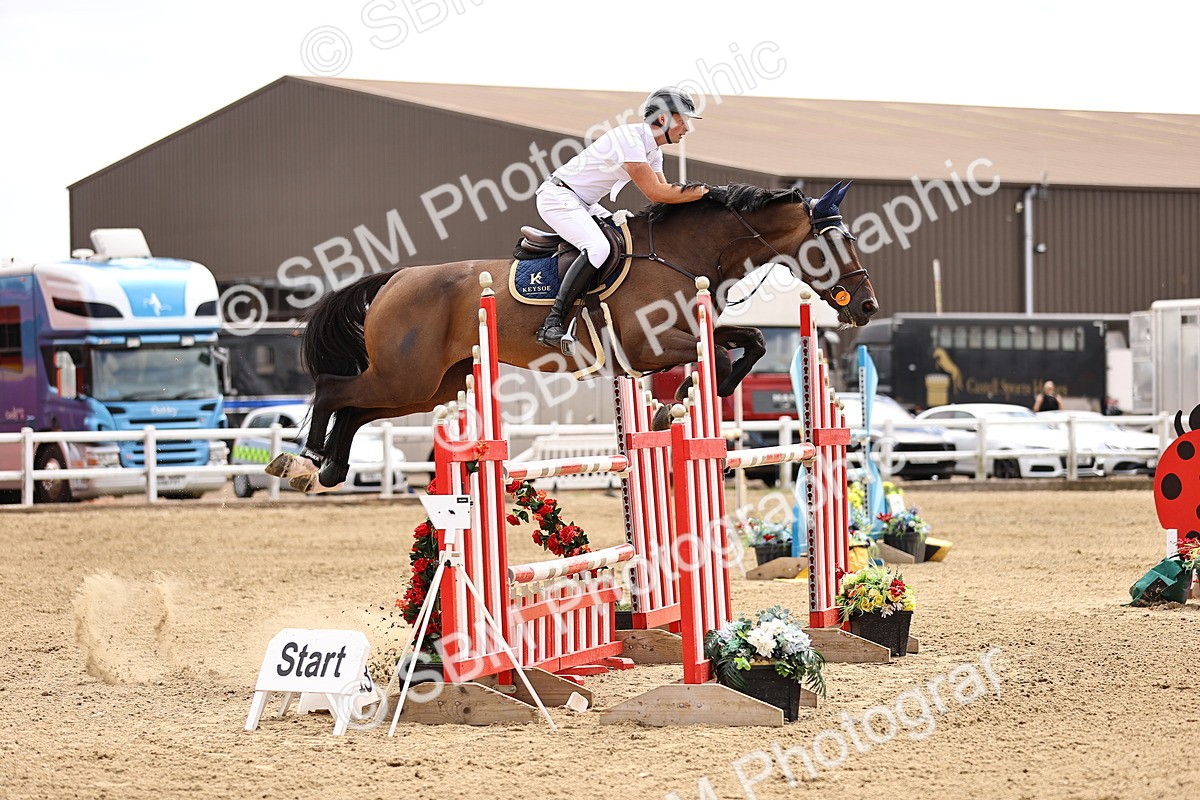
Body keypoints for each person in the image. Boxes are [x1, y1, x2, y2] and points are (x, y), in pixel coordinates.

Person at [534, 87, 710, 350]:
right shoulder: (630, 138)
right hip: (558, 197)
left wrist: (702, 198)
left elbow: (665, 195)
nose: (686, 128)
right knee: (599, 248)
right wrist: (706, 192)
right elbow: (657, 192)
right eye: (682, 120)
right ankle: (552, 323)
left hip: (585, 203)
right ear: (663, 118)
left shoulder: (654, 152)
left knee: (627, 239)